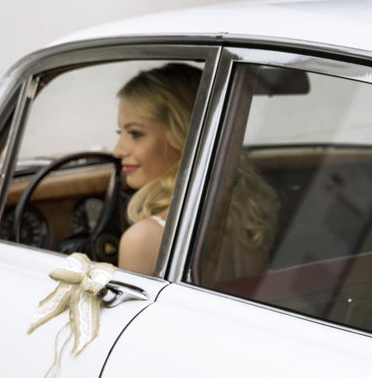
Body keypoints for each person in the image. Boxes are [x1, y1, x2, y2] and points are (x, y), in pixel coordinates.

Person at [114, 63, 278, 277]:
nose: (118, 150)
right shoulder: (249, 220)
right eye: (120, 133)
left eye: (135, 134)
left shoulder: (144, 239)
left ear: (184, 136)